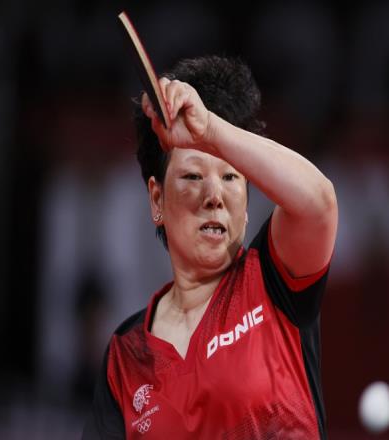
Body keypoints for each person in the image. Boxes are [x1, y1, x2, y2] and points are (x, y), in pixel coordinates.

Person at [82, 55, 338, 439]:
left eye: (231, 177)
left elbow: (319, 204)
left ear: (247, 204)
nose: (214, 195)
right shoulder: (127, 355)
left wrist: (211, 131)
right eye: (192, 176)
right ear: (157, 200)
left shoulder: (273, 281)